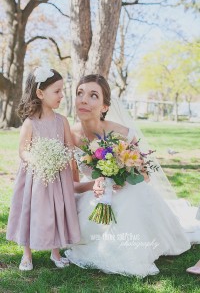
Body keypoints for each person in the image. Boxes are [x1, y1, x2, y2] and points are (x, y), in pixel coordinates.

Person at [65, 74, 194, 277]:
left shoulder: (122, 133)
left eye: (93, 95)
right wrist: (93, 184)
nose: (83, 100)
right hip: (93, 194)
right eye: (80, 93)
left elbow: (145, 175)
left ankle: (134, 252)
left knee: (133, 195)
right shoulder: (69, 136)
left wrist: (122, 178)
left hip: (126, 190)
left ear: (105, 106)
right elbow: (70, 185)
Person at [6, 67, 95, 271]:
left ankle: (55, 252)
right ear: (40, 93)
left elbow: (70, 147)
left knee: (56, 212)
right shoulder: (30, 123)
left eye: (62, 91)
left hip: (58, 177)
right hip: (34, 178)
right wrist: (37, 159)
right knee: (31, 211)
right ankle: (26, 254)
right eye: (57, 91)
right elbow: (22, 151)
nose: (61, 95)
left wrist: (62, 159)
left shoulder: (61, 120)